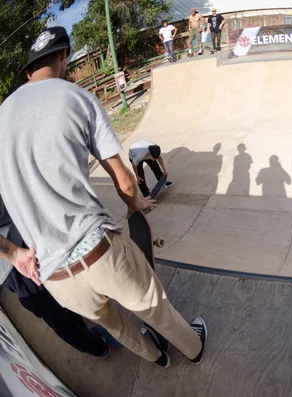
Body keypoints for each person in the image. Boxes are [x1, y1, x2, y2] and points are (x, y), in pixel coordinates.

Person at [0, 27, 207, 369]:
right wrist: (133, 205)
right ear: (64, 56)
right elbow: (125, 180)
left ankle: (157, 358)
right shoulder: (75, 98)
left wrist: (15, 254)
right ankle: (193, 347)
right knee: (154, 306)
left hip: (54, 278)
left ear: (27, 71)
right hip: (98, 251)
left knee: (115, 324)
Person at [0, 196, 120, 359]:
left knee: (62, 297)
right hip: (17, 260)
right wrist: (13, 254)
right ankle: (98, 347)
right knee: (57, 313)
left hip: (22, 243)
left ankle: (87, 333)